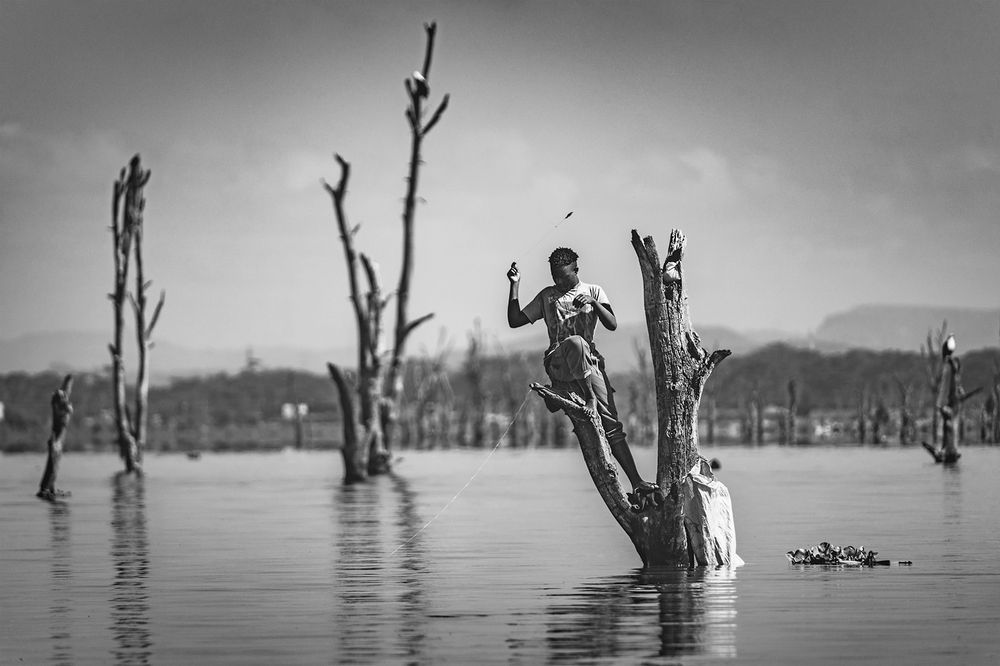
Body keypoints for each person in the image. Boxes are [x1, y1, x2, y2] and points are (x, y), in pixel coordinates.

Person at [506, 247, 658, 503]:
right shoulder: (547, 296)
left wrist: (593, 304)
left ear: (576, 270)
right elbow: (515, 320)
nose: (558, 282)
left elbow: (612, 324)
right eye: (555, 277)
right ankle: (581, 396)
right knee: (575, 342)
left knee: (612, 425)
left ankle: (637, 482)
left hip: (589, 364)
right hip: (558, 359)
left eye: (563, 277)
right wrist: (515, 285)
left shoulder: (593, 291)